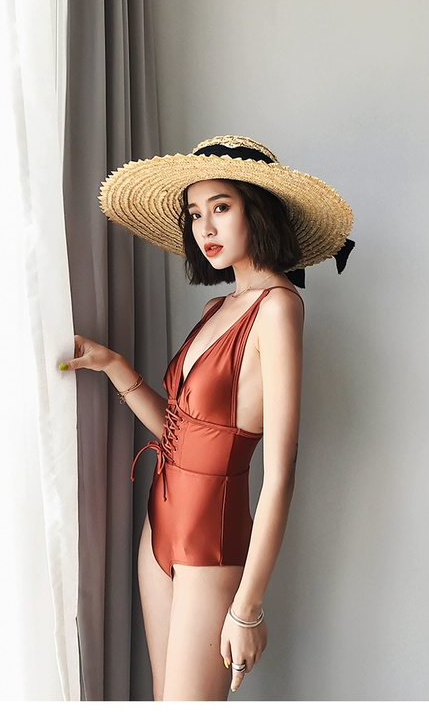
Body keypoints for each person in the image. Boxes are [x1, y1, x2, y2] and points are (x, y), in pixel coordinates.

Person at [60, 135, 354, 701]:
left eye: (221, 207)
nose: (205, 227)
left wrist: (248, 608)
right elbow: (183, 434)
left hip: (212, 544)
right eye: (195, 213)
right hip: (158, 531)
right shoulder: (215, 308)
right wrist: (116, 367)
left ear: (256, 210)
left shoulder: (279, 307)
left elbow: (281, 474)